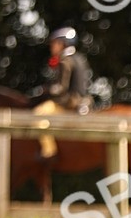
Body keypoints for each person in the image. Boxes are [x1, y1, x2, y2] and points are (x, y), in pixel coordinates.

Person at [33, 27, 93, 160]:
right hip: (84, 101)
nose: (51, 47)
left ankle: (49, 151)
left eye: (54, 43)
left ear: (62, 44)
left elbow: (60, 87)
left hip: (69, 103)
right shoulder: (80, 58)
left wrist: (44, 90)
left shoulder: (65, 60)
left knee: (38, 114)